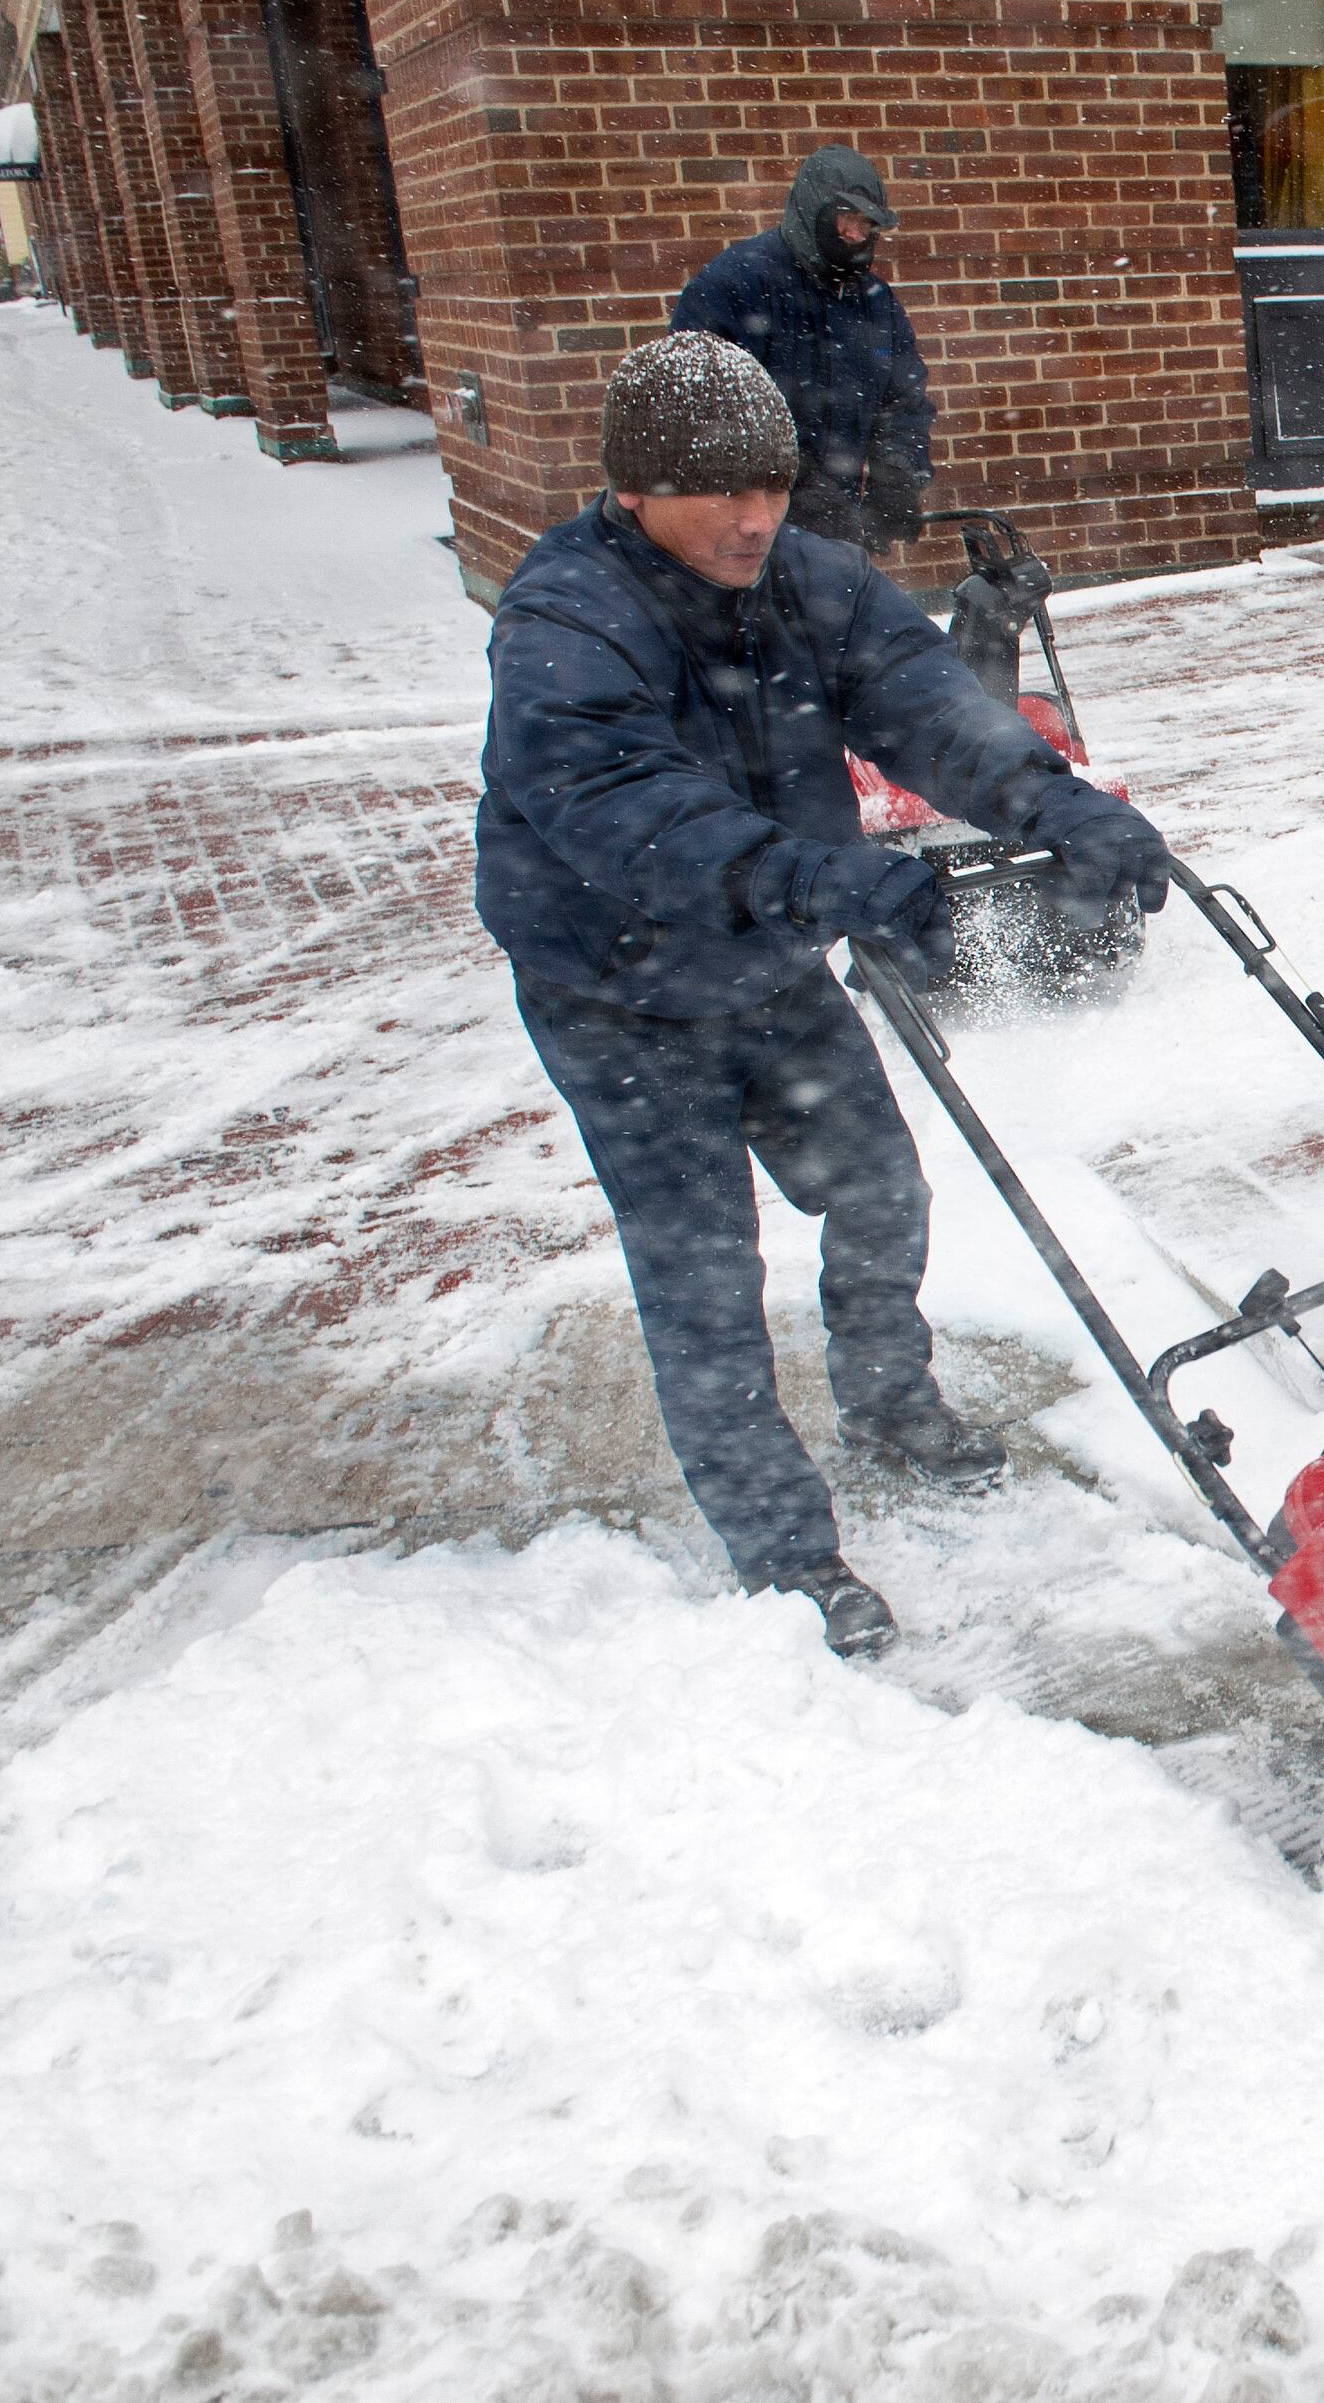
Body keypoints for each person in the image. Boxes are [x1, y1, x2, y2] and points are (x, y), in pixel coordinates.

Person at [477, 333, 1175, 1657]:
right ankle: (786, 1551)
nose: (757, 518)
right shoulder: (569, 618)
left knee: (879, 1186)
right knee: (703, 1277)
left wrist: (1059, 805)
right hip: (616, 993)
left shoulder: (808, 583)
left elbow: (928, 710)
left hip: (768, 963)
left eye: (775, 487)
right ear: (636, 490)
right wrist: (822, 881)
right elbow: (623, 815)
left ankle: (888, 1399)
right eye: (723, 493)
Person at [671, 145, 934, 553]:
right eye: (845, 222)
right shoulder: (738, 285)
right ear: (814, 214)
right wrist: (793, 483)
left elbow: (904, 399)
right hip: (743, 528)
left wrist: (898, 472)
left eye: (866, 225)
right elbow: (701, 408)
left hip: (835, 531)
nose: (855, 236)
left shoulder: (875, 302)